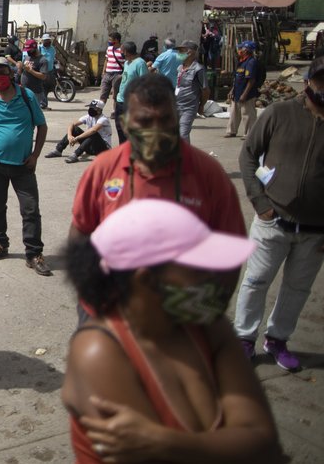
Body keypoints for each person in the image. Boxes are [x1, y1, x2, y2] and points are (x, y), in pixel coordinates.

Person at [62, 200, 284, 464]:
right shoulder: (98, 352)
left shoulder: (211, 326)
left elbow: (263, 442)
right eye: (199, 270)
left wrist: (170, 444)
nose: (215, 280)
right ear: (146, 280)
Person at [69, 73, 246, 260]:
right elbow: (80, 232)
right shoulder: (102, 169)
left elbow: (230, 247)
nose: (154, 130)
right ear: (125, 124)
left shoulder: (209, 174)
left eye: (164, 119)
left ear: (177, 119)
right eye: (144, 121)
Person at [234, 57, 324, 371]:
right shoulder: (280, 113)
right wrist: (261, 203)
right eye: (321, 80)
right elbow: (247, 157)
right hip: (273, 221)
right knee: (256, 281)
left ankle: (277, 340)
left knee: (298, 289)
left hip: (315, 231)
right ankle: (245, 338)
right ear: (310, 80)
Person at [0, 57, 51, 276]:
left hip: (23, 166)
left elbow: (42, 127)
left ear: (11, 73)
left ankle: (34, 254)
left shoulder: (27, 97)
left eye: (3, 71)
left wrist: (35, 155)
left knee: (31, 209)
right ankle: (0, 244)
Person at [44, 99, 111, 163]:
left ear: (99, 110)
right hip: (91, 147)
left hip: (103, 148)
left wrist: (77, 138)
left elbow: (93, 130)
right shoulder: (88, 117)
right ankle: (58, 150)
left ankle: (75, 154)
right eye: (90, 107)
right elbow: (72, 124)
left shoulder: (103, 119)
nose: (90, 110)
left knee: (93, 133)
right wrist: (70, 136)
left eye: (93, 108)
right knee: (75, 129)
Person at [175, 40, 208, 143]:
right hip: (176, 105)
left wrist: (201, 105)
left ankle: (185, 157)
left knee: (183, 134)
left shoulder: (198, 69)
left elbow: (205, 90)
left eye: (181, 51)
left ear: (190, 52)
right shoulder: (180, 68)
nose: (178, 54)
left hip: (189, 108)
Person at [113, 40, 146, 144]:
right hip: (120, 101)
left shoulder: (140, 63)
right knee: (120, 129)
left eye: (121, 51)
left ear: (126, 52)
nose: (120, 53)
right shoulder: (127, 63)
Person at [226, 40, 259, 138]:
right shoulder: (241, 62)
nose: (239, 50)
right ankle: (231, 131)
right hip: (237, 91)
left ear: (247, 50)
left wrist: (244, 94)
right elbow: (237, 78)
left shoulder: (251, 62)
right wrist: (232, 90)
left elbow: (251, 80)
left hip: (247, 93)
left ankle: (249, 134)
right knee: (234, 113)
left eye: (241, 48)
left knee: (247, 114)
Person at [20, 38, 50, 110]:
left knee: (33, 111)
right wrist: (19, 67)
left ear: (35, 48)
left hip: (35, 92)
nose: (28, 52)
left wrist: (31, 71)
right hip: (24, 90)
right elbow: (22, 71)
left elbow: (43, 76)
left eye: (29, 50)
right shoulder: (27, 57)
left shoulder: (43, 60)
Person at [98, 32, 124, 106]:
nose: (109, 41)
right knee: (103, 94)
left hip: (117, 75)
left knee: (116, 95)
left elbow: (126, 62)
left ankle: (114, 112)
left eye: (110, 39)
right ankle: (98, 112)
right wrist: (103, 72)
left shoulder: (122, 50)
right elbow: (106, 60)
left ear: (116, 40)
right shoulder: (109, 49)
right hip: (107, 74)